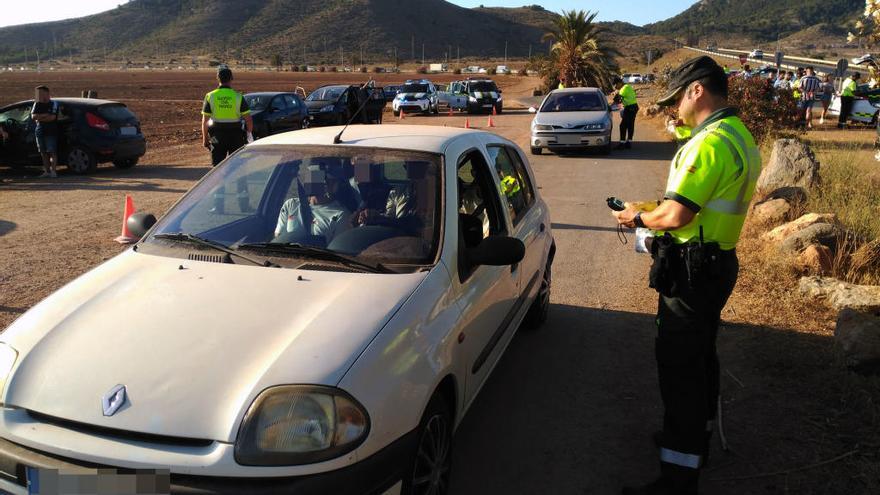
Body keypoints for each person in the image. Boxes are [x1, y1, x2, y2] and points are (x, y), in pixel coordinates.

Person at [614, 55, 761, 495]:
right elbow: (697, 205)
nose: (674, 107)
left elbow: (677, 214)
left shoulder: (710, 143)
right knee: (701, 358)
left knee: (679, 369)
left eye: (678, 96)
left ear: (697, 90)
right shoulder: (738, 136)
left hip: (693, 273)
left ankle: (677, 477)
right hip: (717, 263)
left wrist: (637, 221)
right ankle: (697, 439)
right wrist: (645, 209)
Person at [274, 165, 353, 244]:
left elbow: (337, 250)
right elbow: (278, 240)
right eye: (312, 176)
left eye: (328, 181)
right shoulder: (291, 205)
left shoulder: (341, 215)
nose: (314, 181)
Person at [201, 65, 253, 166]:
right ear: (231, 79)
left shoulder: (210, 96)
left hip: (216, 136)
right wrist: (248, 136)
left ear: (218, 78)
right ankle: (240, 182)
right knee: (237, 166)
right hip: (236, 136)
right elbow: (249, 120)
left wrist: (205, 140)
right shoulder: (238, 96)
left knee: (217, 166)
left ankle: (220, 182)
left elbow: (204, 121)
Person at [31, 86, 59, 178]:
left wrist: (40, 117)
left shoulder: (54, 103)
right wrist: (45, 115)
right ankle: (46, 171)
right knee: (43, 152)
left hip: (51, 131)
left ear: (46, 93)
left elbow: (52, 118)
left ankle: (53, 171)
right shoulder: (37, 104)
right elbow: (33, 117)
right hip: (39, 131)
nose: (37, 95)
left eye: (39, 93)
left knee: (52, 151)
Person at [614, 78, 639, 149]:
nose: (615, 87)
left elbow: (617, 99)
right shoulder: (628, 86)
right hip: (634, 107)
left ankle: (622, 144)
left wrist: (611, 106)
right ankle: (629, 142)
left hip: (630, 108)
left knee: (623, 126)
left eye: (616, 84)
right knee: (630, 125)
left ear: (619, 83)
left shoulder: (623, 89)